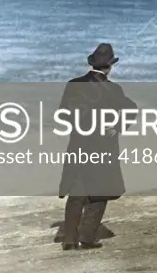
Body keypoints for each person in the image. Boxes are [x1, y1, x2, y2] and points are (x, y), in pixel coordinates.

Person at [58, 43, 137, 250]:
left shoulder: (73, 84)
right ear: (110, 67)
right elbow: (132, 108)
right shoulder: (113, 89)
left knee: (77, 191)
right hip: (102, 145)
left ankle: (69, 239)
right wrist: (117, 127)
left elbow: (63, 114)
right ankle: (87, 237)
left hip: (79, 143)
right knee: (99, 192)